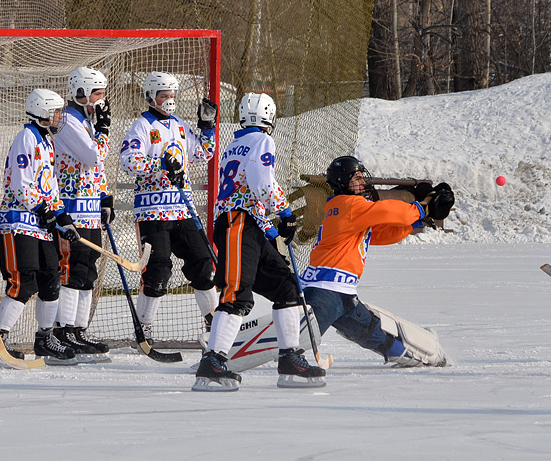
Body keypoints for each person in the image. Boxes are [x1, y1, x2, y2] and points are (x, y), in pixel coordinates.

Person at [192, 92, 326, 392]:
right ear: (270, 118)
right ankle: (213, 361)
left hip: (246, 223)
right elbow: (262, 183)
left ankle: (290, 357)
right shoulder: (263, 141)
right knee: (237, 293)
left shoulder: (233, 144)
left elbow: (244, 190)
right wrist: (285, 212)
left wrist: (268, 228)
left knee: (286, 286)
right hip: (238, 224)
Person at [300, 156, 454, 367]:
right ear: (343, 182)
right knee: (298, 337)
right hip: (325, 291)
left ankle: (423, 358)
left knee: (371, 331)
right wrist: (421, 208)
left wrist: (416, 220)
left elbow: (383, 234)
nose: (363, 182)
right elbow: (391, 211)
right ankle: (285, 361)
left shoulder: (346, 210)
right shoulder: (351, 205)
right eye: (357, 177)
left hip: (340, 294)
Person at [119, 71, 218, 349]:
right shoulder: (141, 126)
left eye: (173, 96)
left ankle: (214, 321)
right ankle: (144, 327)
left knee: (203, 264)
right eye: (165, 96)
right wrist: (159, 165)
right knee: (158, 270)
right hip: (153, 212)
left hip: (181, 210)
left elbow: (202, 153)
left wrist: (207, 126)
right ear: (152, 97)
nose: (170, 101)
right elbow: (129, 159)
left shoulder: (180, 125)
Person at [0, 88, 81, 366]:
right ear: (40, 110)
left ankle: (44, 338)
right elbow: (21, 184)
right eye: (55, 111)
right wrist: (42, 209)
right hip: (19, 222)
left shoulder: (47, 142)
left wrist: (62, 216)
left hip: (40, 226)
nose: (59, 116)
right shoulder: (26, 138)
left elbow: (49, 187)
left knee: (51, 280)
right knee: (23, 282)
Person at [52, 67, 113, 363]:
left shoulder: (86, 122)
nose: (102, 101)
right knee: (73, 268)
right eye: (98, 94)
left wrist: (104, 196)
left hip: (89, 207)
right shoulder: (67, 121)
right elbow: (93, 155)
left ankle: (78, 329)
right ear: (82, 93)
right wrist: (103, 131)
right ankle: (62, 330)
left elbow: (96, 168)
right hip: (72, 207)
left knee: (88, 268)